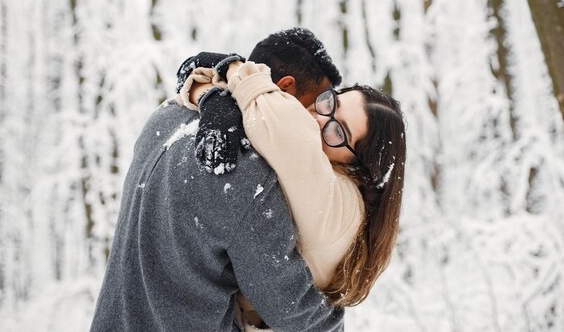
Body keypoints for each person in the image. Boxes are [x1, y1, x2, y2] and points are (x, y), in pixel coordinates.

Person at [89, 29, 345, 331]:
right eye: (316, 106)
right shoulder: (242, 167)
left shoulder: (165, 118)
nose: (317, 124)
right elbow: (293, 310)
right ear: (286, 89)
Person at [181, 34, 406, 330]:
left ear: (361, 167)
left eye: (339, 132)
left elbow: (283, 124)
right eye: (331, 102)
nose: (319, 118)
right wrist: (208, 94)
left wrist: (235, 69)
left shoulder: (344, 206)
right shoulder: (326, 176)